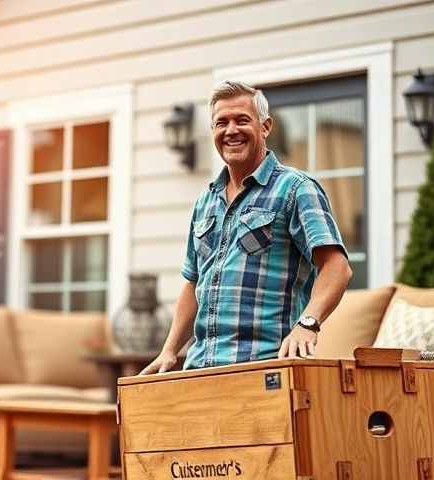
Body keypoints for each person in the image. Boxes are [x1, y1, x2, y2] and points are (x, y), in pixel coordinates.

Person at [141, 81, 352, 375]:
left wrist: (308, 324)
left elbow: (336, 266)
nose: (231, 131)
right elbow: (193, 284)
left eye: (242, 120)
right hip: (199, 368)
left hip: (263, 367)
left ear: (265, 127)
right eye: (221, 123)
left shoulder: (296, 189)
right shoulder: (206, 200)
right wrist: (169, 350)